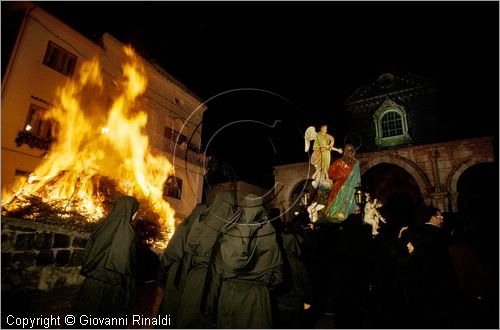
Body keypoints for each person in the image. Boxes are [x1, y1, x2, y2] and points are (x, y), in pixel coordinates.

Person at [211, 193, 284, 328]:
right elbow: (278, 275)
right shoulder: (267, 232)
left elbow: (217, 270)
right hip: (257, 297)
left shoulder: (230, 230)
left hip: (229, 295)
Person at [175, 190, 240, 328]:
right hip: (214, 282)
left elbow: (188, 255)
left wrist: (182, 283)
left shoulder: (201, 222)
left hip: (195, 278)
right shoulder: (232, 229)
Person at [72, 195, 139, 318]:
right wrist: (130, 293)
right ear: (130, 211)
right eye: (135, 211)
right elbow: (126, 267)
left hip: (91, 284)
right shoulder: (127, 232)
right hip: (112, 289)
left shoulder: (102, 226)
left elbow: (88, 252)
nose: (135, 215)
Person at [156, 202, 209, 328]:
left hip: (177, 273)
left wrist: (162, 276)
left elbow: (170, 253)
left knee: (170, 309)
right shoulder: (207, 231)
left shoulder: (184, 227)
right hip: (192, 276)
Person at [323, 143, 361, 221]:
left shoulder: (354, 163)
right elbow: (330, 172)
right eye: (349, 151)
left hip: (346, 187)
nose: (350, 152)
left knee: (339, 206)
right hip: (343, 186)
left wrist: (338, 177)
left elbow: (330, 173)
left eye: (351, 151)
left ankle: (341, 216)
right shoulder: (341, 162)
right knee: (336, 206)